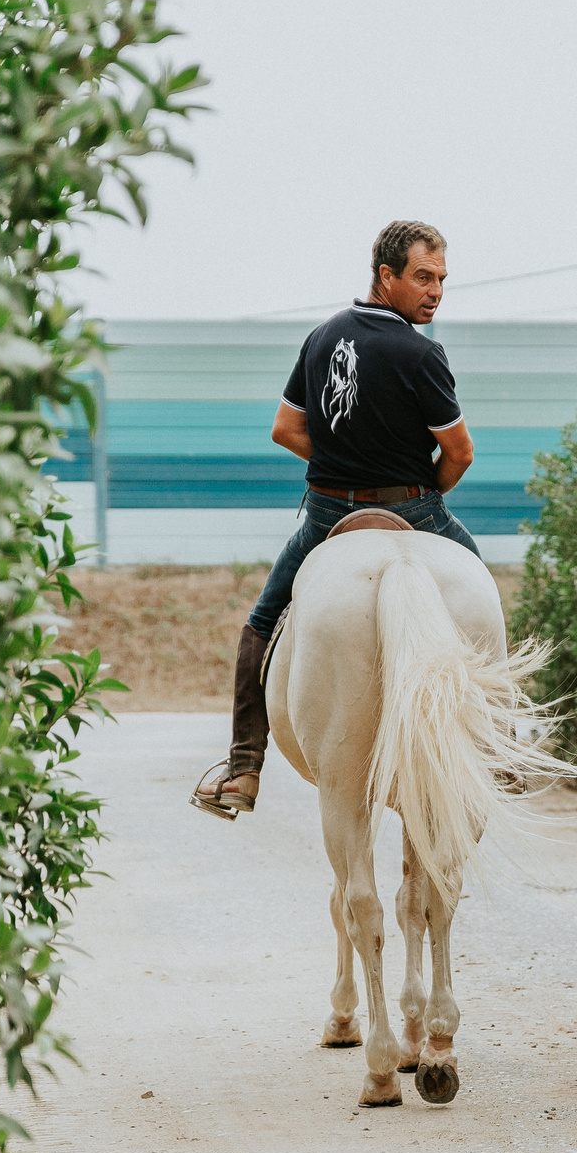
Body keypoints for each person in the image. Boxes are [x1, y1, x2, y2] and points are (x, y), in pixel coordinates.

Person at [191, 219, 481, 819]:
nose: (435, 291)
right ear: (387, 276)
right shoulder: (423, 354)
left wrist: (335, 466)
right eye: (423, 278)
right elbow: (460, 453)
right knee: (482, 602)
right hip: (411, 508)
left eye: (442, 280)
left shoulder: (322, 338)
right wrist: (425, 492)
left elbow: (285, 429)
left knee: (261, 626)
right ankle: (495, 754)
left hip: (326, 513)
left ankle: (244, 768)